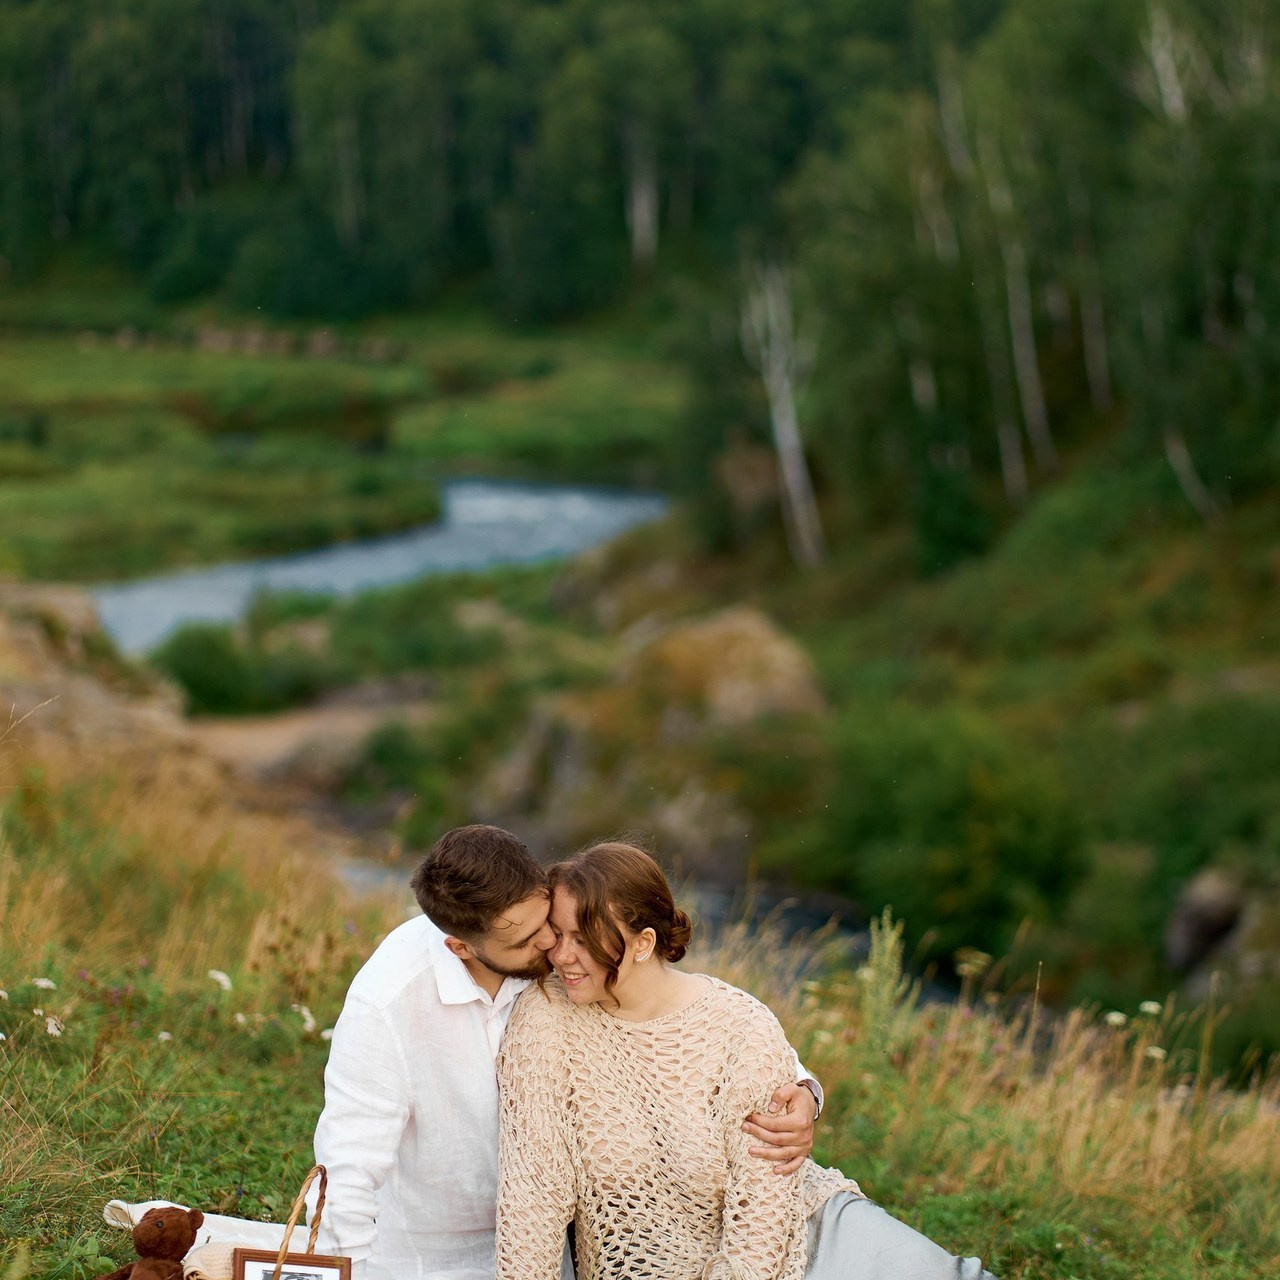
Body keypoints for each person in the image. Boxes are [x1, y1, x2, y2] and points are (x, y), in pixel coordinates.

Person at [310, 825, 824, 1280]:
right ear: (462, 947)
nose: (554, 949)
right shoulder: (389, 1002)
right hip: (431, 1257)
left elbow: (704, 1027)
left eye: (551, 924)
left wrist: (803, 1090)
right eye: (533, 940)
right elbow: (347, 1174)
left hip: (563, 1251)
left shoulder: (561, 968)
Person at [495, 841, 999, 1280]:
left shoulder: (741, 1025)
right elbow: (534, 1198)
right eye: (558, 934)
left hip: (799, 1237)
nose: (561, 955)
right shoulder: (546, 1017)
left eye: (583, 938)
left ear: (644, 943)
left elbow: (765, 1202)